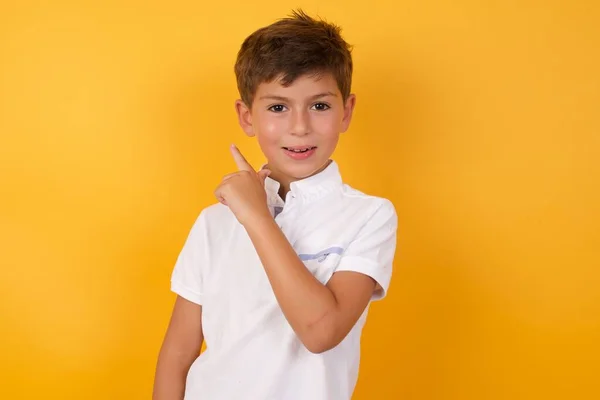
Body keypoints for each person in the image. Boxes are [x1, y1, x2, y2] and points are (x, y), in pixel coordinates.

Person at [152, 9, 398, 400]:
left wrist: (255, 217)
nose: (299, 127)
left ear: (346, 111)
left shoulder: (369, 216)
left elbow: (321, 332)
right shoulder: (214, 222)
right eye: (278, 107)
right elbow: (178, 354)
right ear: (246, 117)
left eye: (319, 106)